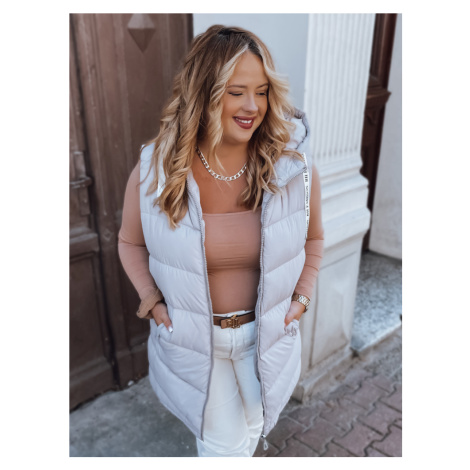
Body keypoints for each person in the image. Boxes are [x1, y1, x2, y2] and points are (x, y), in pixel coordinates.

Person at [118, 25, 324, 457]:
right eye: (236, 92)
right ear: (204, 92)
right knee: (223, 451)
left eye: (262, 92)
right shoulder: (157, 170)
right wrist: (151, 300)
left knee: (252, 431)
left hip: (265, 337)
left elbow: (314, 238)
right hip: (197, 342)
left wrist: (302, 299)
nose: (252, 106)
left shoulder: (292, 169)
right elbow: (130, 242)